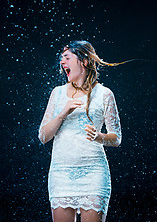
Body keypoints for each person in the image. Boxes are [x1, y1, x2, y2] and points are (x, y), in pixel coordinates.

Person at [38, 40, 124, 222]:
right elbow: (43, 136)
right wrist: (63, 113)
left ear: (84, 61)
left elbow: (116, 139)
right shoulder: (57, 93)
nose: (62, 62)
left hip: (94, 172)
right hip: (61, 173)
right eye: (62, 58)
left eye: (67, 58)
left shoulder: (104, 94)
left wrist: (99, 136)